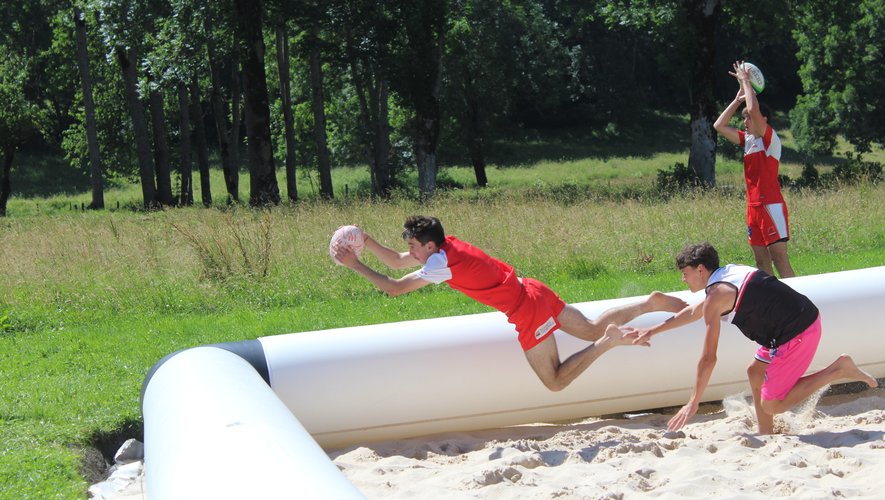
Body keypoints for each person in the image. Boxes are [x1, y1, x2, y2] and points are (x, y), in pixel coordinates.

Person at [332, 215, 688, 392]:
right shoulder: (445, 245)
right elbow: (395, 260)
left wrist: (355, 264)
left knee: (555, 381)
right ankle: (648, 303)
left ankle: (607, 344)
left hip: (526, 310)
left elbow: (394, 287)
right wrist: (364, 239)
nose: (409, 252)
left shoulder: (439, 265)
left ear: (427, 247)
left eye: (413, 246)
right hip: (533, 288)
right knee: (592, 325)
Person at [625, 242, 877, 434]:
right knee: (755, 371)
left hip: (798, 331)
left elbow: (708, 358)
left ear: (700, 269)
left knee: (773, 405)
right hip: (793, 323)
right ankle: (766, 434)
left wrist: (693, 402)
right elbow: (693, 311)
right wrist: (653, 330)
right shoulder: (727, 274)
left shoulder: (716, 296)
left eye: (685, 272)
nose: (683, 278)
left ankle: (838, 369)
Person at [714, 60, 795, 279]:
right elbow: (719, 126)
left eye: (748, 118)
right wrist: (737, 98)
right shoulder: (748, 140)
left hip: (771, 205)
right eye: (744, 119)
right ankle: (770, 307)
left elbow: (752, 108)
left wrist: (747, 82)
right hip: (753, 208)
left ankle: (799, 304)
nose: (745, 121)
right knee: (761, 261)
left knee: (779, 258)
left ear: (763, 119)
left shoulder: (770, 139)